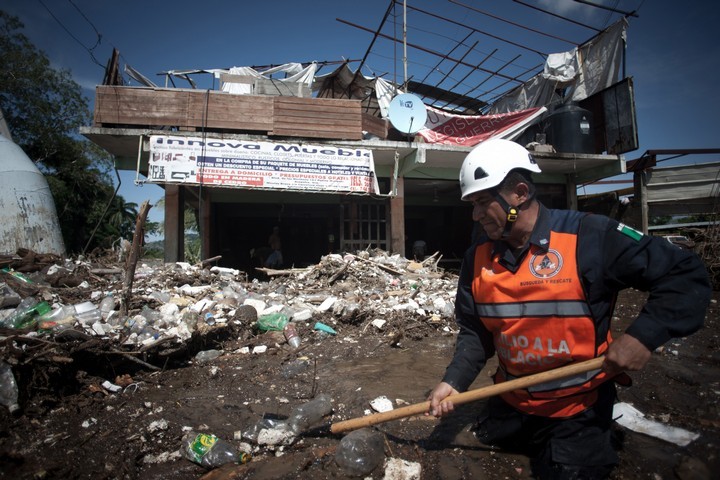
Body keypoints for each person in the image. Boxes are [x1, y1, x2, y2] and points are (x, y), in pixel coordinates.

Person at [426, 139, 711, 479]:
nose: (475, 215)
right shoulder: (477, 258)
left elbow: (684, 274)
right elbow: (476, 332)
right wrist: (454, 380)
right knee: (484, 437)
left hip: (578, 408)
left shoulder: (589, 235)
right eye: (472, 204)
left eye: (483, 202)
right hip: (514, 399)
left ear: (519, 193)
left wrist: (643, 337)